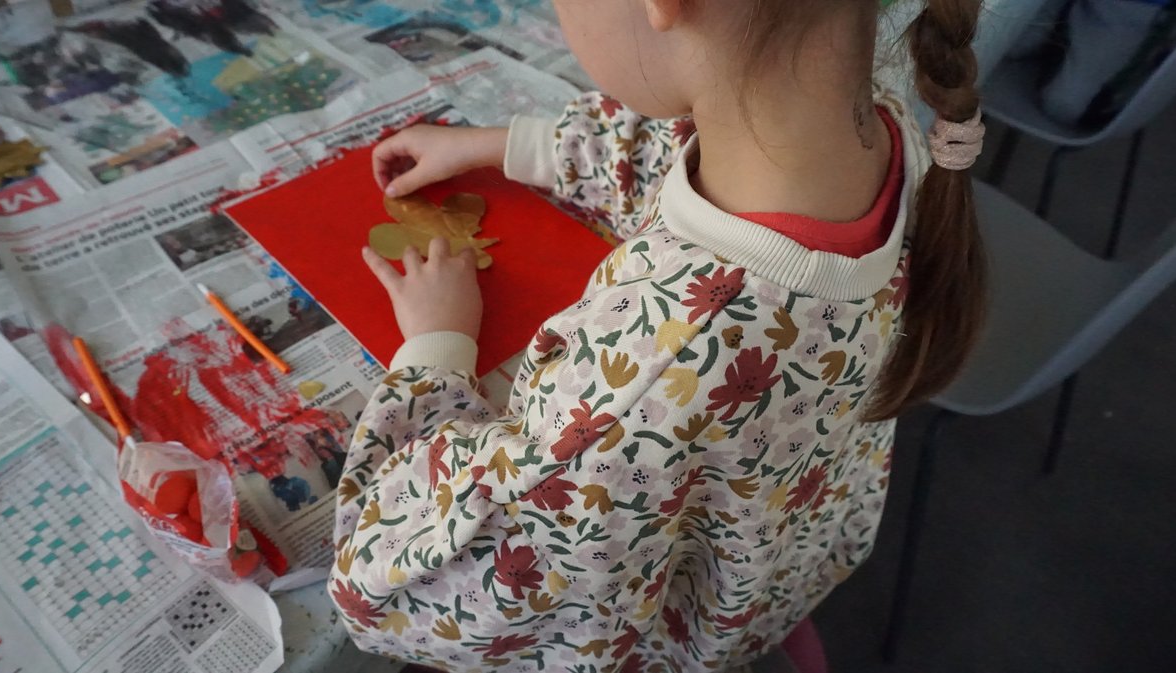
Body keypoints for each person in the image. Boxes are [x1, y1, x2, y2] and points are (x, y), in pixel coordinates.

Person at [329, 0, 987, 670]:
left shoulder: (649, 376)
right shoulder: (879, 131)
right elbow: (670, 153)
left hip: (675, 634)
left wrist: (436, 350)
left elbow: (385, 588)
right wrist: (501, 145)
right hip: (777, 569)